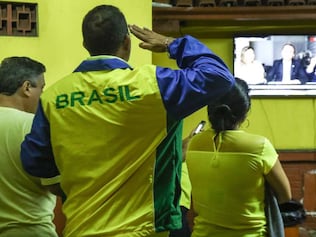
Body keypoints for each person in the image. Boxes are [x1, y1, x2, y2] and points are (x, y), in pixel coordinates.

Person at [20, 4, 234, 237]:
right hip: (142, 230)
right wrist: (169, 43)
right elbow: (218, 77)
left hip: (80, 228)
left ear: (85, 45)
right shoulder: (153, 87)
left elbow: (36, 162)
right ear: (127, 42)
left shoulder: (53, 96)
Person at [185, 78, 292, 237]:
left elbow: (194, 206)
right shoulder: (260, 147)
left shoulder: (193, 144)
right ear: (246, 110)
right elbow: (285, 197)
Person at [0, 57, 58, 237]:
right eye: (41, 88)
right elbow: (56, 184)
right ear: (26, 88)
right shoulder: (36, 127)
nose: (43, 95)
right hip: (31, 230)